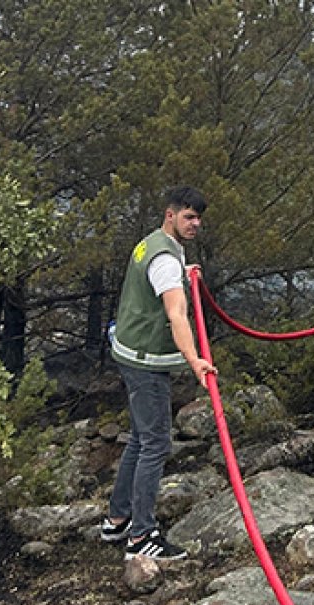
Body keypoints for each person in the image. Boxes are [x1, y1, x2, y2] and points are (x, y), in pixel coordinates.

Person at [101, 186, 218, 562]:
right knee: (155, 444)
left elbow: (162, 279)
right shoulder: (164, 260)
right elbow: (176, 313)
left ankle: (117, 519)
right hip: (145, 361)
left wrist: (185, 273)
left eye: (199, 217)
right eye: (188, 217)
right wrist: (195, 358)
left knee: (139, 438)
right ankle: (141, 536)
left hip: (128, 349)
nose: (195, 223)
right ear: (171, 215)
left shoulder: (153, 244)